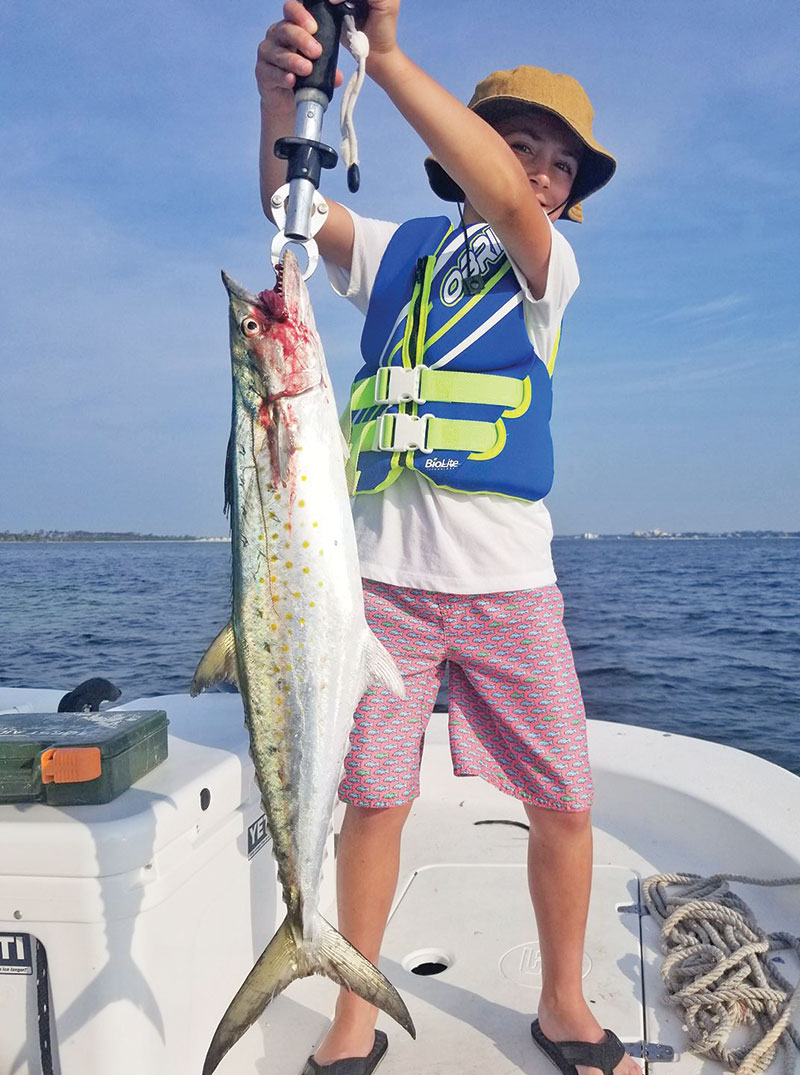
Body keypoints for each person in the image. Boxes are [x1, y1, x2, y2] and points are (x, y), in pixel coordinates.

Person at [257, 4, 639, 1075]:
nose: (538, 173)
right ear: (450, 150)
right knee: (372, 801)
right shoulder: (389, 254)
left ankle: (561, 1001)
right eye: (517, 144)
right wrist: (278, 101)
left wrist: (378, 58)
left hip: (508, 587)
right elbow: (287, 206)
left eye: (560, 163)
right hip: (375, 588)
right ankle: (349, 1011)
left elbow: (507, 199)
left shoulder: (544, 266)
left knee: (561, 798)